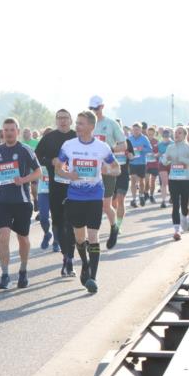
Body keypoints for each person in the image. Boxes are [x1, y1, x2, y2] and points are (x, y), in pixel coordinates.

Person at [56, 110, 120, 294]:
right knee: (79, 237)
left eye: (81, 123)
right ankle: (85, 264)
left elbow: (117, 168)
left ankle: (93, 277)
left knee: (93, 236)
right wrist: (68, 174)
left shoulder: (102, 147)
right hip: (75, 196)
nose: (77, 126)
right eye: (76, 123)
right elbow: (58, 168)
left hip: (94, 195)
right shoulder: (68, 145)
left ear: (91, 127)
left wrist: (109, 170)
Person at [0, 118, 42, 289]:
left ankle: (23, 271)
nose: (8, 133)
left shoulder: (25, 150)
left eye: (11, 130)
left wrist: (23, 180)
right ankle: (5, 275)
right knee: (3, 236)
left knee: (23, 238)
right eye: (5, 130)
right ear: (2, 132)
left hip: (22, 201)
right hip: (2, 201)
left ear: (17, 131)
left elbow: (38, 172)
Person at [35, 110, 78, 275]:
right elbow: (37, 156)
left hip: (76, 187)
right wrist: (49, 161)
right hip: (56, 187)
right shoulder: (49, 137)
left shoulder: (77, 136)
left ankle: (70, 259)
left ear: (71, 120)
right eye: (59, 118)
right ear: (56, 120)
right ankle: (65, 256)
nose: (62, 121)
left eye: (65, 118)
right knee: (59, 223)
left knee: (72, 224)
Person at [89, 96, 126, 249]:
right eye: (91, 109)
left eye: (96, 108)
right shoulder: (86, 124)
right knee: (91, 205)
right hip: (90, 169)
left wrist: (110, 149)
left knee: (105, 205)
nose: (94, 111)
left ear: (102, 107)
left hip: (107, 169)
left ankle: (114, 227)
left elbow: (124, 145)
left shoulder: (111, 124)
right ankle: (92, 240)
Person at [162, 125, 189, 240]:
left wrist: (183, 161)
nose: (176, 135)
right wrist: (167, 159)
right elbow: (164, 162)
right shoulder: (170, 147)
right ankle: (176, 230)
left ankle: (186, 217)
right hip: (173, 179)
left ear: (184, 135)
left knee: (184, 205)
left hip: (187, 180)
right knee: (175, 205)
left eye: (179, 133)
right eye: (176, 133)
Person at [127, 123, 152, 208]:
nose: (135, 131)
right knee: (133, 180)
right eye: (134, 130)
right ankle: (134, 199)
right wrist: (128, 154)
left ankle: (141, 195)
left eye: (137, 130)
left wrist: (142, 149)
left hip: (141, 162)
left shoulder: (144, 138)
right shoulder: (129, 139)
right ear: (132, 130)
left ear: (140, 130)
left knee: (141, 181)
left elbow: (150, 149)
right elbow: (125, 150)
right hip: (132, 162)